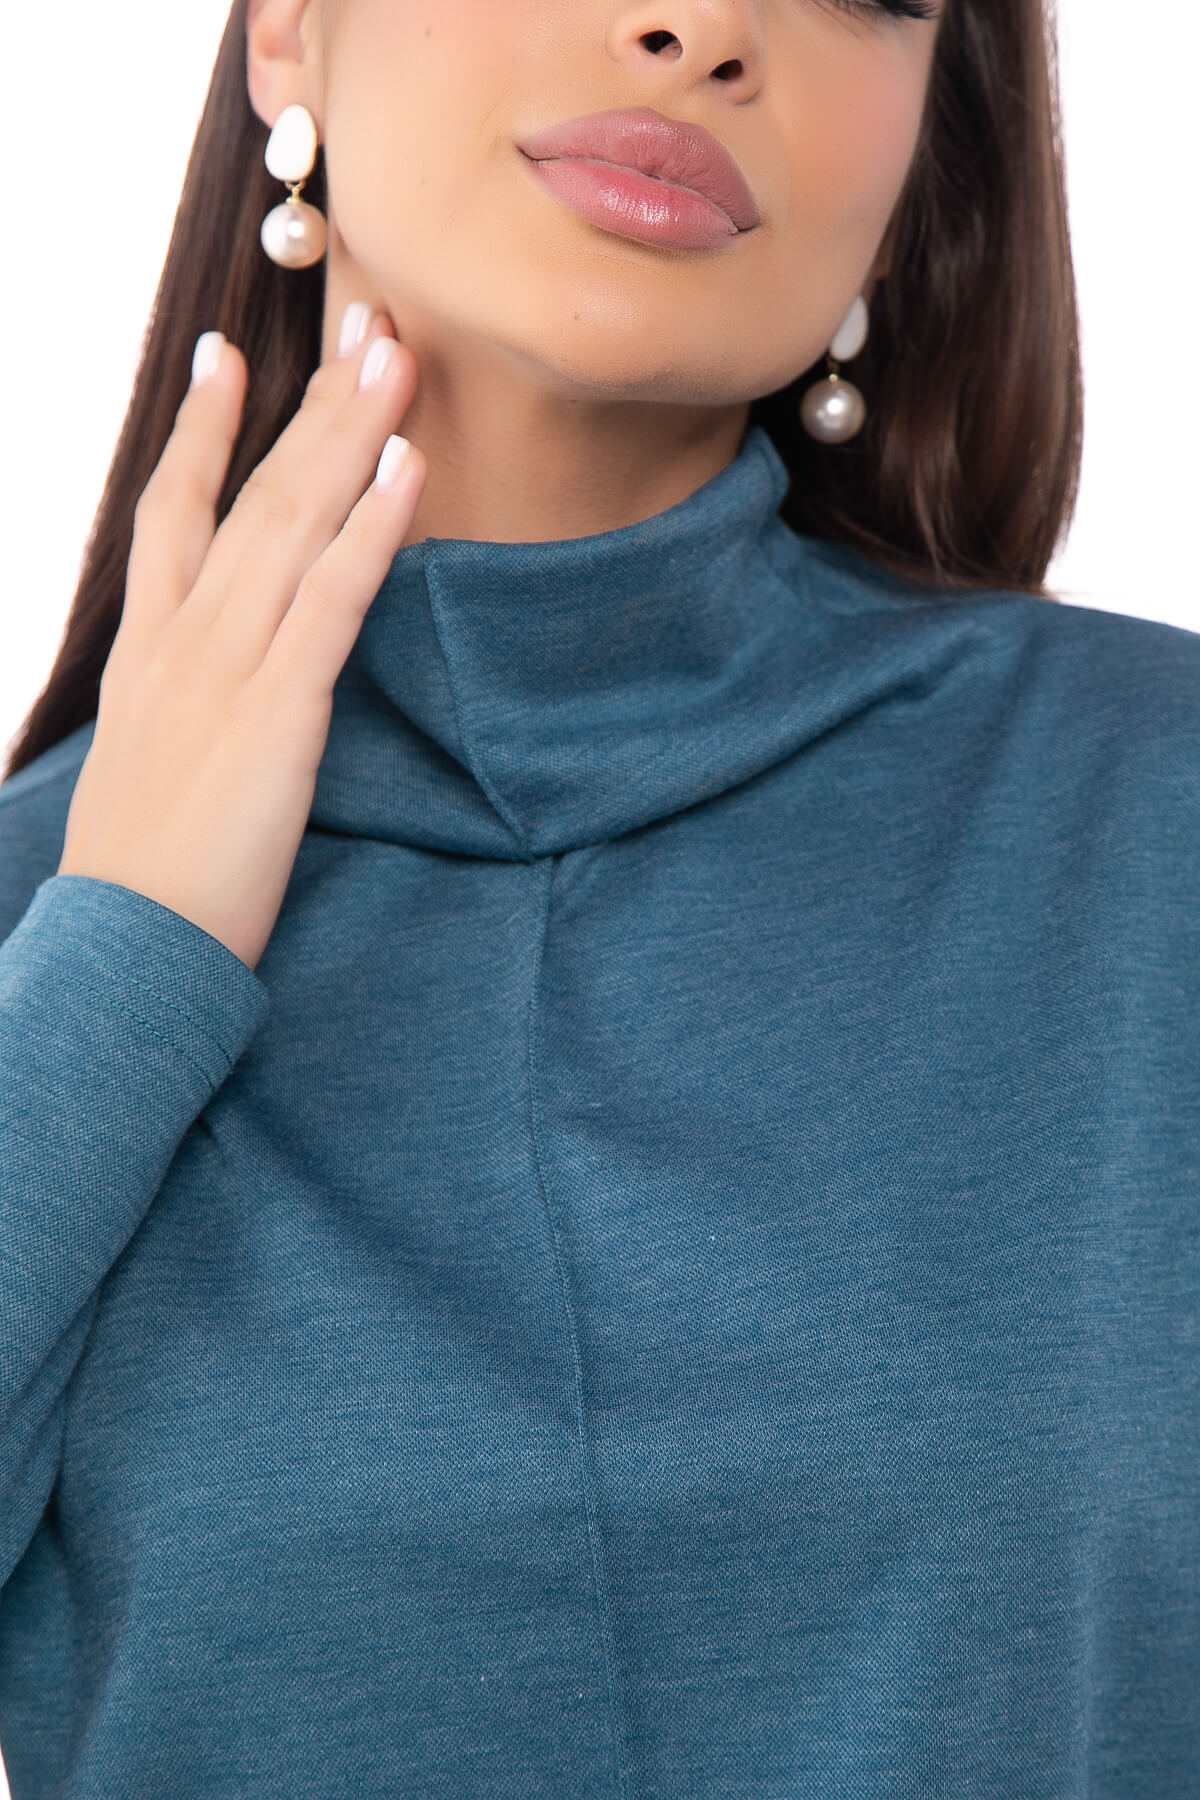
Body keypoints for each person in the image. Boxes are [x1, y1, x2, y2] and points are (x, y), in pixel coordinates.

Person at [0, 0, 1195, 1792]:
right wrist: (130, 949)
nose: (701, 28)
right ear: (291, 35)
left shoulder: (1153, 818)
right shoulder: (47, 932)